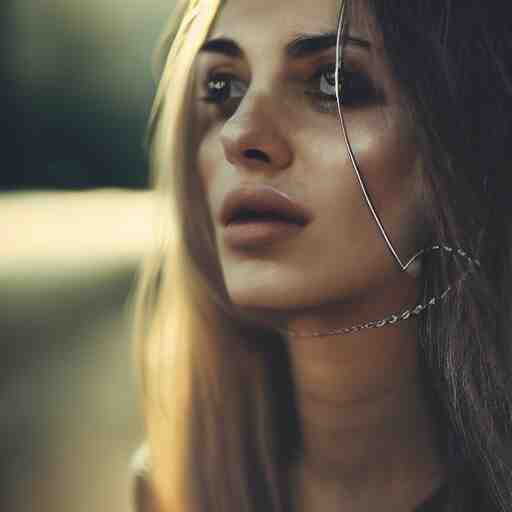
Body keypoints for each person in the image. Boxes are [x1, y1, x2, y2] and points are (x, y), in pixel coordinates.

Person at [132, 0, 512, 510]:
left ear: (455, 155)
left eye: (333, 84)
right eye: (223, 88)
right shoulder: (170, 491)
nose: (239, 134)